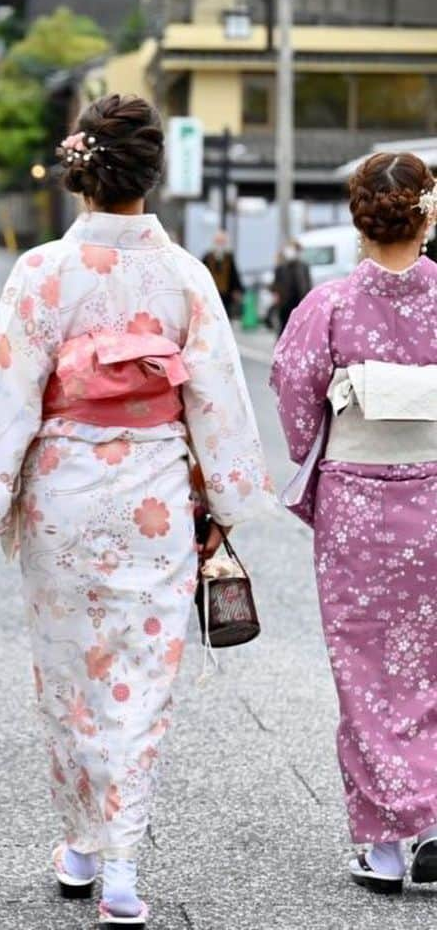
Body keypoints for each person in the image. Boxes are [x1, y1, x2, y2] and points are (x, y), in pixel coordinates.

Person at [0, 95, 270, 930]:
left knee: (70, 675)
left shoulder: (44, 272)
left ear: (79, 172)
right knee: (142, 681)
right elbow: (219, 402)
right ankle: (116, 863)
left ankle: (82, 846)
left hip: (62, 495)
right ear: (151, 175)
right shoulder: (184, 275)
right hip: (154, 493)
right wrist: (223, 505)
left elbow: (7, 389)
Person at [271, 152, 437, 896]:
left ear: (358, 215)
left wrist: (324, 471)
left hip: (359, 505)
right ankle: (429, 822)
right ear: (428, 214)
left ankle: (386, 845)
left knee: (365, 669)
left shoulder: (330, 306)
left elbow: (295, 396)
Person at [271, 241, 312, 335]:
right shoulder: (280, 268)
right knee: (284, 327)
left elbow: (308, 284)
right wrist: (276, 296)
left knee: (300, 327)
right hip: (284, 303)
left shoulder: (303, 266)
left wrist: (308, 300)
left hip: (300, 301)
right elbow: (275, 285)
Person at [202, 230, 243, 317]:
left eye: (222, 241)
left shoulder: (229, 257)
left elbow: (234, 275)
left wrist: (237, 289)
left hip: (226, 293)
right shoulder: (207, 257)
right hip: (211, 293)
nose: (220, 244)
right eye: (218, 241)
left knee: (225, 315)